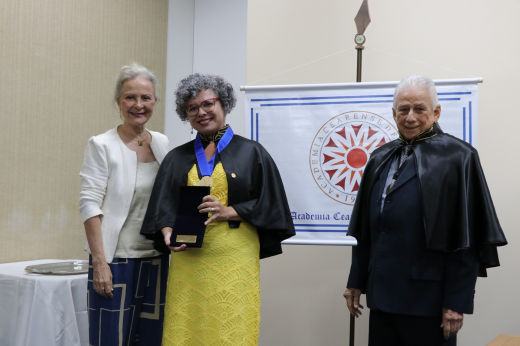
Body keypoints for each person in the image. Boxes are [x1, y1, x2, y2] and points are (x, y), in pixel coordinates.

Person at [343, 75, 507, 346]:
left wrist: (456, 302)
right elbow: (368, 231)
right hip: (382, 297)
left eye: (419, 109)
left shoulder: (459, 157)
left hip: (429, 302)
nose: (410, 117)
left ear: (436, 112)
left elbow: (465, 238)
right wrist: (355, 282)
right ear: (393, 113)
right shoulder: (379, 157)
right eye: (404, 109)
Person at [141, 73, 295, 345]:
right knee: (187, 328)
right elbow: (162, 206)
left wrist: (230, 211)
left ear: (223, 104)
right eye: (192, 108)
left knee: (229, 328)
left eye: (208, 104)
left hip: (234, 256)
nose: (201, 112)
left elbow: (273, 204)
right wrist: (167, 233)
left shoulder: (253, 152)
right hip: (188, 260)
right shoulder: (177, 157)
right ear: (185, 114)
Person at [79, 62, 170, 346]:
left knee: (152, 339)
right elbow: (89, 204)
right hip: (115, 261)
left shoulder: (163, 144)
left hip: (157, 259)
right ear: (118, 101)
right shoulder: (102, 144)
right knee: (111, 339)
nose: (138, 104)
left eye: (146, 97)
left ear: (155, 101)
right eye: (130, 97)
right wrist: (100, 263)